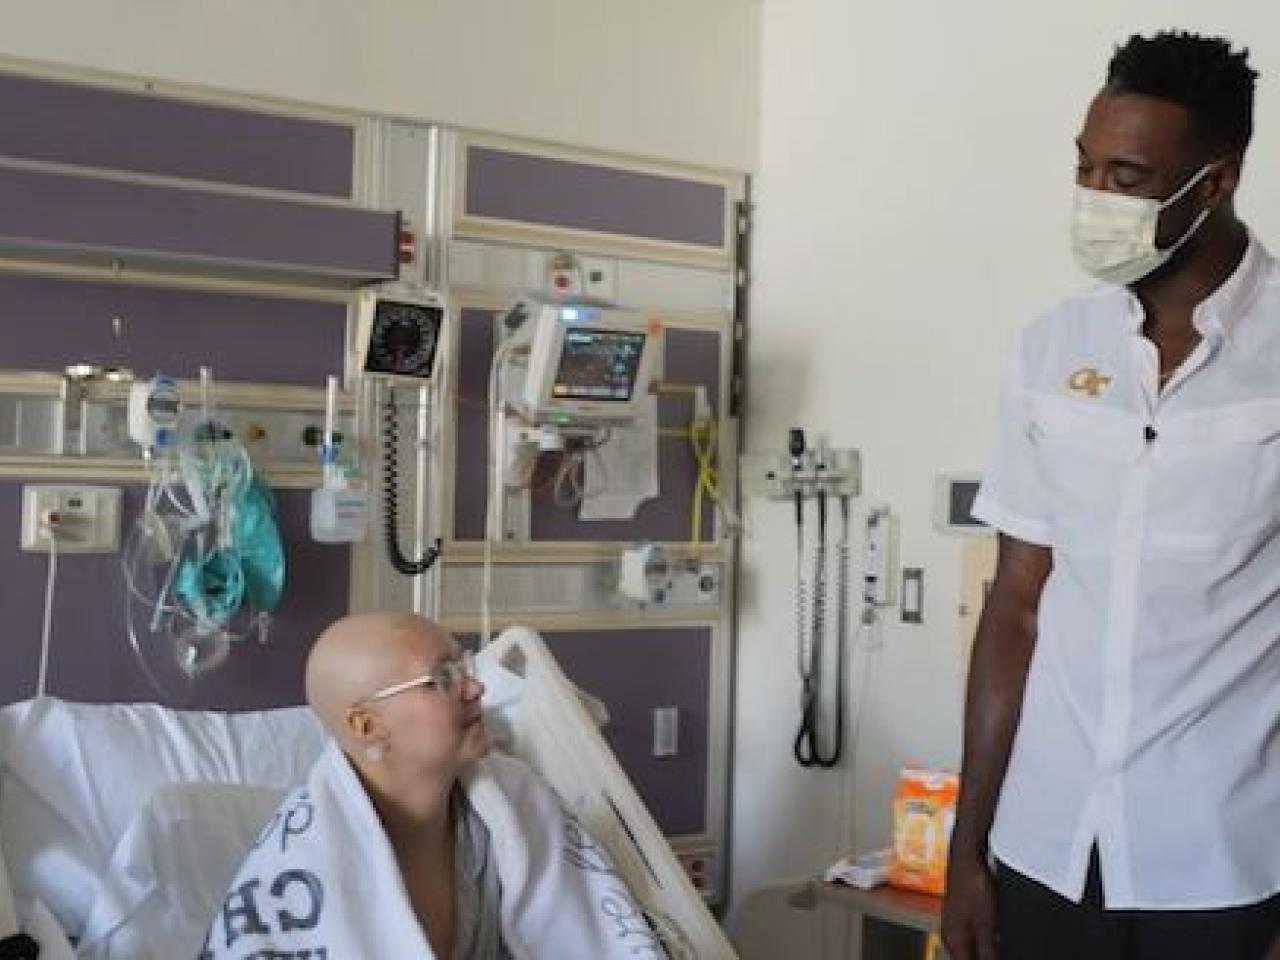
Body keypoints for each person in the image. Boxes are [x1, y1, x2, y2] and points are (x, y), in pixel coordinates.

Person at [942, 31, 1280, 960]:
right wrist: (966, 850)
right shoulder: (1053, 349)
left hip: (1222, 860)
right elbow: (1014, 607)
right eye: (1085, 167)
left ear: (1214, 183)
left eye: (1126, 177)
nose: (1095, 198)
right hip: (1044, 846)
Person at [201, 612, 667, 959]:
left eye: (464, 667)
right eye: (442, 678)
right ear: (367, 726)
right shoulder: (302, 866)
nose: (474, 688)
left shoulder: (509, 809)